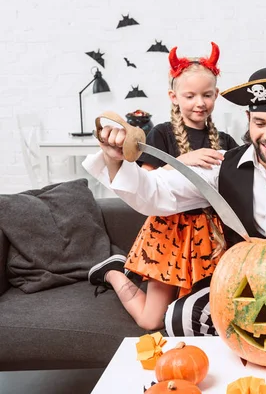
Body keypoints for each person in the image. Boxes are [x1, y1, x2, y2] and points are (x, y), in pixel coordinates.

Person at [83, 66, 266, 336]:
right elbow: (156, 194)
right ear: (249, 120)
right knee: (181, 316)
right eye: (260, 123)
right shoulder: (221, 166)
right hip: (241, 285)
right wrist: (114, 158)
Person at [87, 43, 238, 331]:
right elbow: (147, 182)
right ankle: (114, 272)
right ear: (174, 96)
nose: (199, 103)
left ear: (216, 95)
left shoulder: (227, 141)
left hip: (212, 237)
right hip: (169, 233)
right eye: (190, 95)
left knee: (202, 315)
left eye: (207, 95)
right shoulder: (161, 133)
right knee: (151, 320)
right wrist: (184, 161)